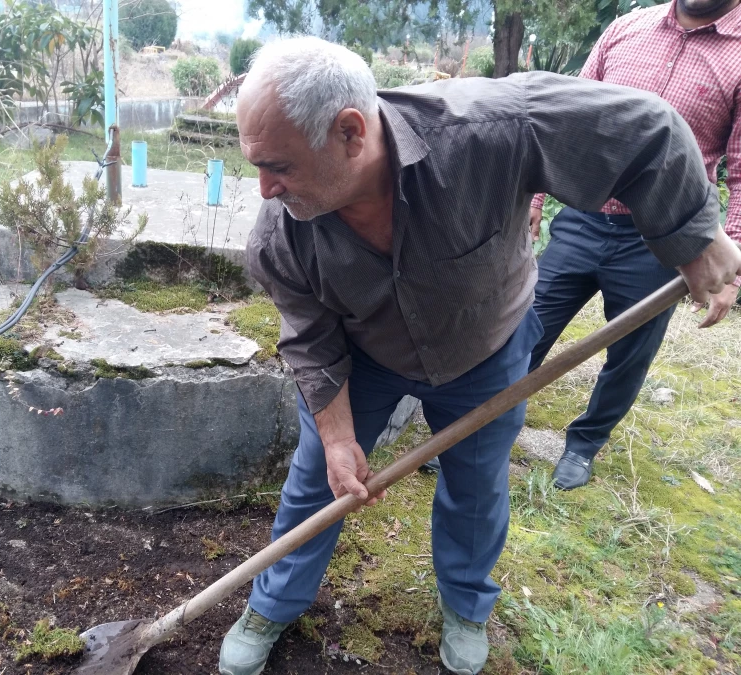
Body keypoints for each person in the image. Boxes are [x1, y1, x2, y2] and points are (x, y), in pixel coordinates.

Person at [219, 37, 741, 675]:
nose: (265, 189)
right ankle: (272, 604)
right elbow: (307, 337)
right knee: (317, 482)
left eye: (279, 166)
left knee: (475, 487)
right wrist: (335, 437)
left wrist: (695, 234)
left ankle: (466, 607)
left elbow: (645, 128)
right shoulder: (279, 235)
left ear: (350, 133)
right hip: (364, 356)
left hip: (485, 348)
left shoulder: (490, 130)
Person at [529, 0, 741, 491]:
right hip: (584, 218)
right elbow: (567, 115)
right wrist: (535, 195)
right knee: (525, 326)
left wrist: (731, 270)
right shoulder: (628, 27)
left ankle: (584, 444)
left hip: (663, 239)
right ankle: (480, 429)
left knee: (630, 352)